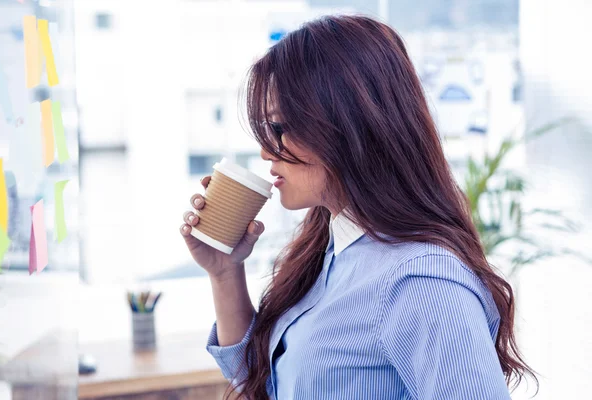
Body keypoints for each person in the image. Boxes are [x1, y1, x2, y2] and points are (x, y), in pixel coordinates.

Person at [180, 14, 535, 400]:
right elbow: (265, 384)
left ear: (346, 125)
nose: (267, 150)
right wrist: (225, 272)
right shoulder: (331, 250)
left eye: (280, 128)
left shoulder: (420, 283)